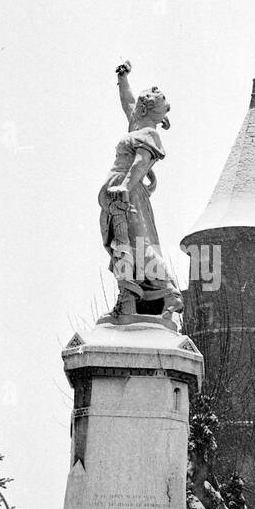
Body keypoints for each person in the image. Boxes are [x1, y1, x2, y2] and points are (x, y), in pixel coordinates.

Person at [98, 61, 181, 319]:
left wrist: (124, 187)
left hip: (128, 193)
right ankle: (129, 296)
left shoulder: (150, 134)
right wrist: (123, 78)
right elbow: (128, 102)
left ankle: (168, 293)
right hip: (116, 193)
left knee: (137, 244)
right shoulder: (137, 125)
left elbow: (141, 162)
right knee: (123, 244)